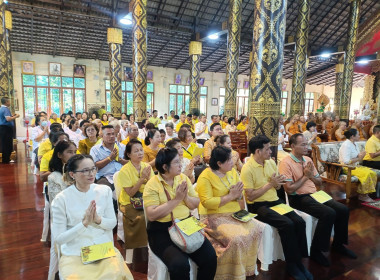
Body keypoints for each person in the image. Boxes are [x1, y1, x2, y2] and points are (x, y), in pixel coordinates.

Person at [279, 133, 357, 267]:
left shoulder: (307, 159)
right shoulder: (286, 163)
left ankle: (338, 244)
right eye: (302, 144)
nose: (306, 147)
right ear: (292, 146)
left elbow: (319, 182)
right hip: (298, 197)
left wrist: (310, 176)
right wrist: (305, 177)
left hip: (314, 194)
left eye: (306, 144)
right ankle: (316, 250)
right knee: (328, 213)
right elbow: (289, 189)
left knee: (343, 209)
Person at [51, 155, 133, 279]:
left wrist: (98, 220)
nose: (91, 173)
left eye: (93, 169)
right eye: (85, 170)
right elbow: (59, 239)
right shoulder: (61, 199)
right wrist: (83, 224)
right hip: (76, 252)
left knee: (114, 274)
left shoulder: (104, 191)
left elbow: (112, 223)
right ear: (72, 174)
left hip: (101, 249)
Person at [241, 135, 312, 280]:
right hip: (259, 206)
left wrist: (279, 182)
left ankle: (299, 261)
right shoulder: (247, 169)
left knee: (299, 221)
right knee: (287, 224)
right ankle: (292, 264)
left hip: (275, 201)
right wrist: (270, 184)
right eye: (267, 149)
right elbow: (250, 197)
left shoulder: (271, 163)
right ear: (258, 151)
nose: (270, 152)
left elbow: (278, 185)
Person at [143, 148, 217, 279]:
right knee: (180, 265)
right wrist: (176, 199)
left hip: (187, 223)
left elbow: (195, 203)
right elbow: (152, 215)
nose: (181, 164)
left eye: (180, 161)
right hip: (162, 230)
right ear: (165, 167)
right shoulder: (152, 184)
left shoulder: (182, 178)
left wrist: (185, 198)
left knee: (210, 257)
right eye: (177, 162)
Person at [197, 146, 262, 279]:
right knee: (237, 239)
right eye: (229, 160)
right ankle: (231, 274)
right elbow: (207, 202)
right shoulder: (205, 177)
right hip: (213, 216)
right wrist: (230, 196)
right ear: (219, 163)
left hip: (234, 213)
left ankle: (245, 269)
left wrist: (237, 195)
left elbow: (240, 193)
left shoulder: (232, 172)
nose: (233, 163)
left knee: (256, 230)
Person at [115, 139, 154, 250]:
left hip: (146, 198)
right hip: (129, 202)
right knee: (141, 218)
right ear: (128, 154)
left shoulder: (146, 166)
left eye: (141, 150)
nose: (140, 153)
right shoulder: (124, 170)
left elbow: (153, 186)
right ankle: (140, 248)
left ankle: (155, 243)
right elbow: (131, 193)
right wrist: (142, 179)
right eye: (136, 151)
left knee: (160, 214)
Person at [339, 129, 376, 202]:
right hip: (347, 168)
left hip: (355, 166)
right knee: (367, 174)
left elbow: (357, 156)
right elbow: (346, 161)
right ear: (352, 136)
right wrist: (359, 158)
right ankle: (363, 195)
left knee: (373, 173)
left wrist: (362, 154)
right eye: (358, 134)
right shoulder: (346, 145)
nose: (359, 136)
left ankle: (364, 194)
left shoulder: (354, 143)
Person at [90, 125, 128, 192]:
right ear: (102, 136)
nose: (112, 136)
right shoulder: (95, 149)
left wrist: (120, 160)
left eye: (113, 134)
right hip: (105, 177)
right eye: (108, 134)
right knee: (103, 191)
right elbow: (94, 166)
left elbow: (131, 163)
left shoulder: (122, 147)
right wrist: (109, 159)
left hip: (123, 175)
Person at [0, 97, 19, 163]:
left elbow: (7, 117)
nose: (10, 103)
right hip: (6, 128)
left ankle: (6, 158)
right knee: (7, 144)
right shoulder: (5, 109)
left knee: (6, 143)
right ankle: (6, 159)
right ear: (6, 102)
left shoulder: (2, 108)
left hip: (4, 128)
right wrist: (16, 117)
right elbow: (8, 119)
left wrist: (12, 115)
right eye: (9, 101)